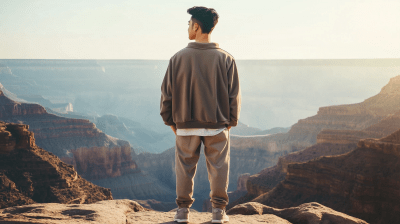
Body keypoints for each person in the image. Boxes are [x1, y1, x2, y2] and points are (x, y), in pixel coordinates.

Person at [160, 6, 241, 224]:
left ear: (196, 26)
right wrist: (230, 122)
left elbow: (166, 94)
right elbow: (234, 95)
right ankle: (218, 213)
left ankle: (182, 213)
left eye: (188, 24)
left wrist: (170, 121)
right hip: (217, 124)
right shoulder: (226, 58)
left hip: (185, 124)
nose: (187, 27)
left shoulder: (177, 58)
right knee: (219, 168)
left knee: (184, 168)